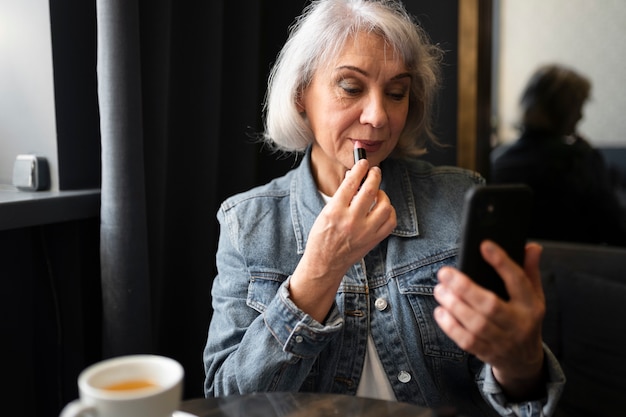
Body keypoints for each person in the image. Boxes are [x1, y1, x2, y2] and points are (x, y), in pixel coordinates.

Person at [203, 1, 565, 416]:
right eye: (351, 88)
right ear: (301, 95)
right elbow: (226, 402)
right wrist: (319, 271)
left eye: (396, 93)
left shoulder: (459, 200)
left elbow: (516, 399)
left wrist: (520, 367)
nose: (378, 117)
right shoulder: (246, 223)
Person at [491, 64, 626, 246]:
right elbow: (614, 229)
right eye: (578, 106)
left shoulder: (499, 160)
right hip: (578, 266)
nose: (581, 116)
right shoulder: (580, 160)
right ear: (564, 109)